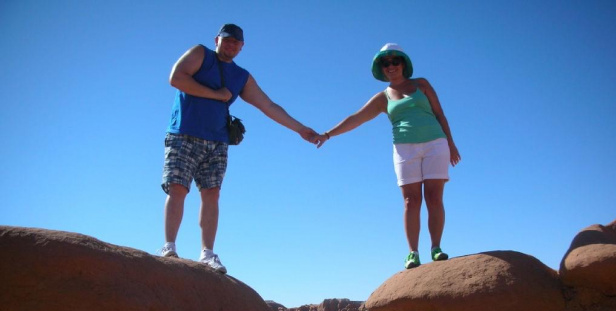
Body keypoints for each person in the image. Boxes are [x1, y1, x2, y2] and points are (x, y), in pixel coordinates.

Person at [160, 24, 319, 273]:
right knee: (177, 187)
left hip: (217, 141)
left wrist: (300, 129)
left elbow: (268, 105)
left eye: (236, 43)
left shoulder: (241, 76)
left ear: (242, 47)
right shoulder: (200, 54)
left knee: (212, 194)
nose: (231, 45)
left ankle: (207, 253)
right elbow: (176, 78)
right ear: (217, 40)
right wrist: (217, 95)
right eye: (227, 40)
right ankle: (169, 247)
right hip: (184, 134)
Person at [316, 43, 461, 269]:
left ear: (404, 63)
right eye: (386, 63)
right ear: (381, 69)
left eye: (395, 61)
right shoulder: (383, 98)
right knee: (410, 201)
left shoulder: (422, 84)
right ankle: (413, 252)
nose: (391, 66)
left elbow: (440, 114)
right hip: (404, 149)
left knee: (434, 197)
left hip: (435, 144)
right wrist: (327, 134)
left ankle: (436, 248)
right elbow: (356, 118)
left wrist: (451, 144)